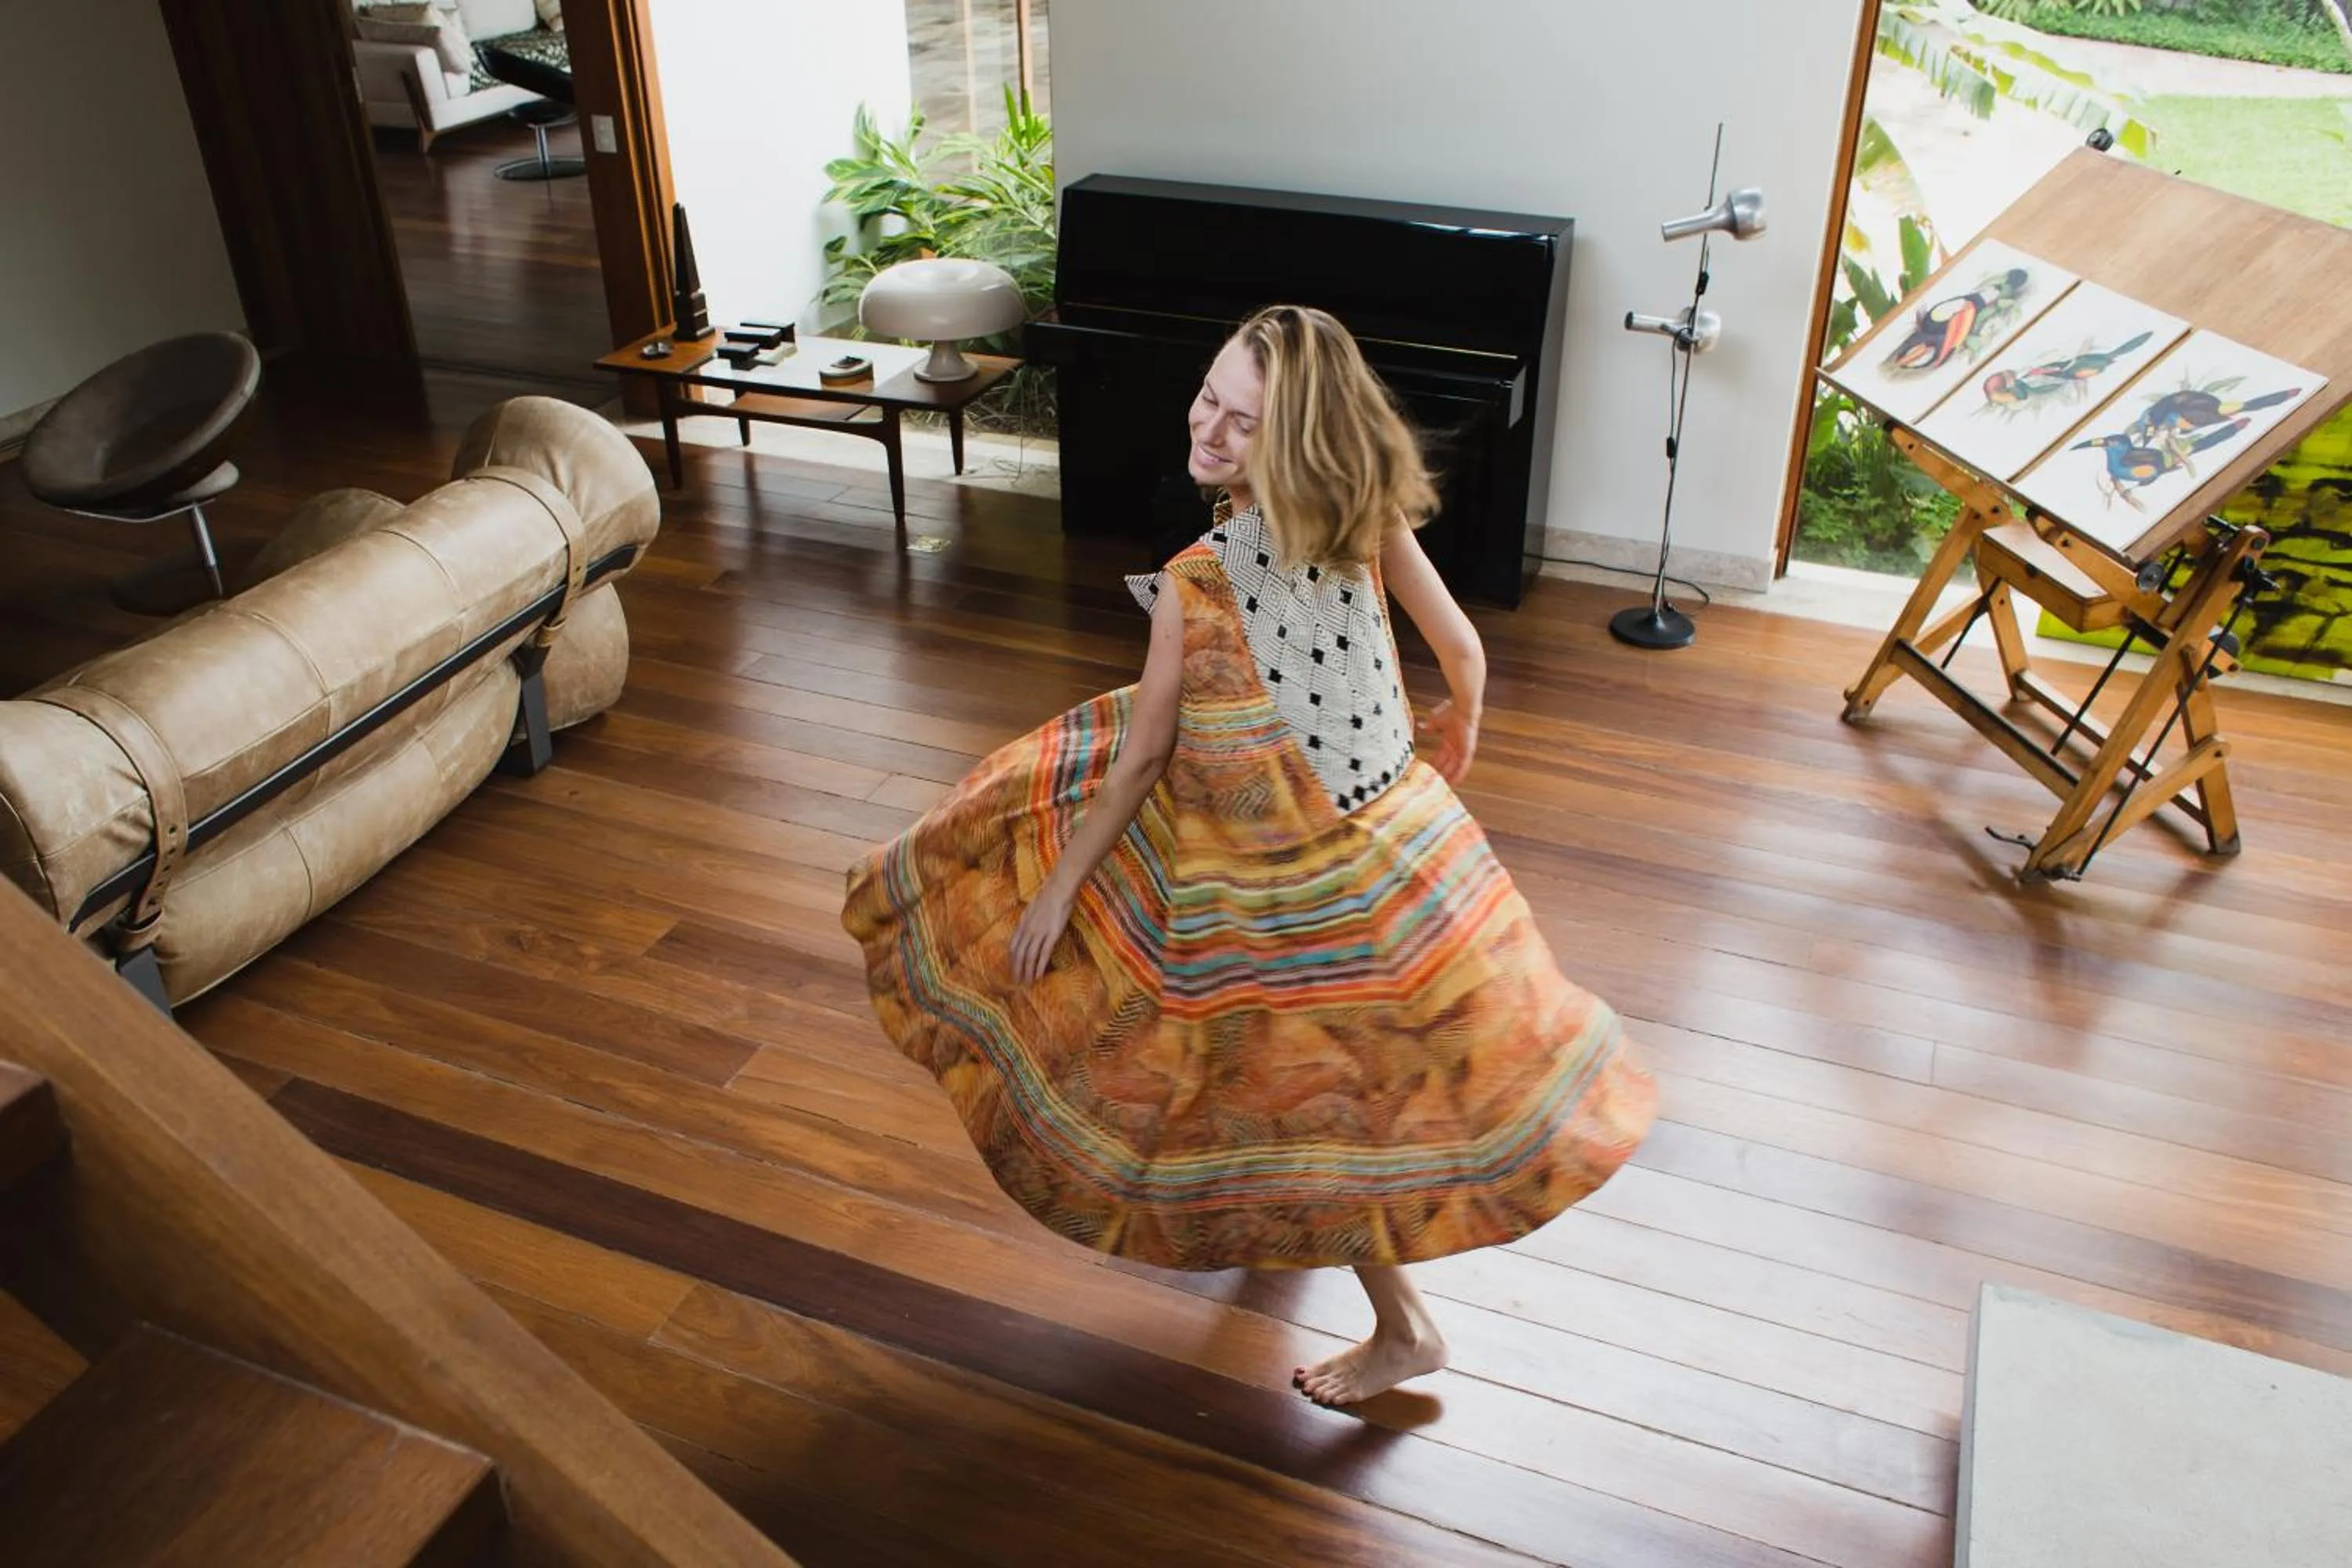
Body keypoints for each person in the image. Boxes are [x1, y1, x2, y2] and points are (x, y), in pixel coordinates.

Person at [843, 304, 1654, 1406]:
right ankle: (1339, 1269)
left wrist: (1061, 891)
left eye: (1243, 419)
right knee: (1345, 1084)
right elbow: (1461, 648)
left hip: (1276, 880)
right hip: (1380, 836)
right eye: (1207, 396)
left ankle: (1406, 1327)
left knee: (1302, 1092)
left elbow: (1143, 761)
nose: (1208, 427)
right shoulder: (1361, 513)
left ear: (1296, 437)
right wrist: (1458, 724)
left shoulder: (1199, 577)